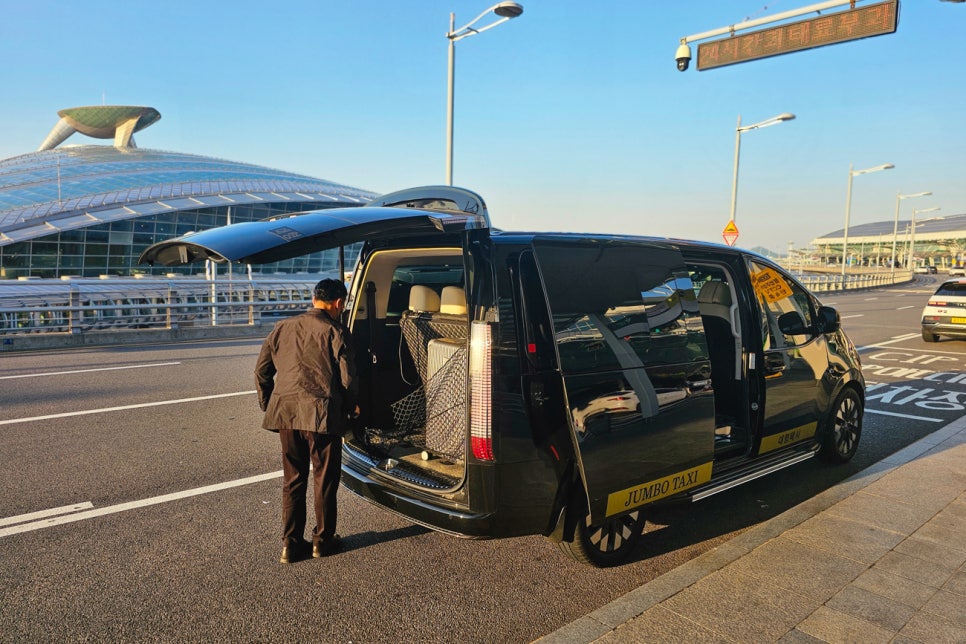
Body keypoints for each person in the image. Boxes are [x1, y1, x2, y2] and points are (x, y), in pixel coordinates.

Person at [254, 278, 358, 564]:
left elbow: (262, 371)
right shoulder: (336, 330)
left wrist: (270, 405)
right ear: (338, 303)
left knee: (293, 479)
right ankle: (322, 541)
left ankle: (290, 544)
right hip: (322, 416)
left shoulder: (282, 327)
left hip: (286, 414)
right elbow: (348, 380)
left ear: (314, 299)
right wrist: (350, 412)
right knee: (324, 479)